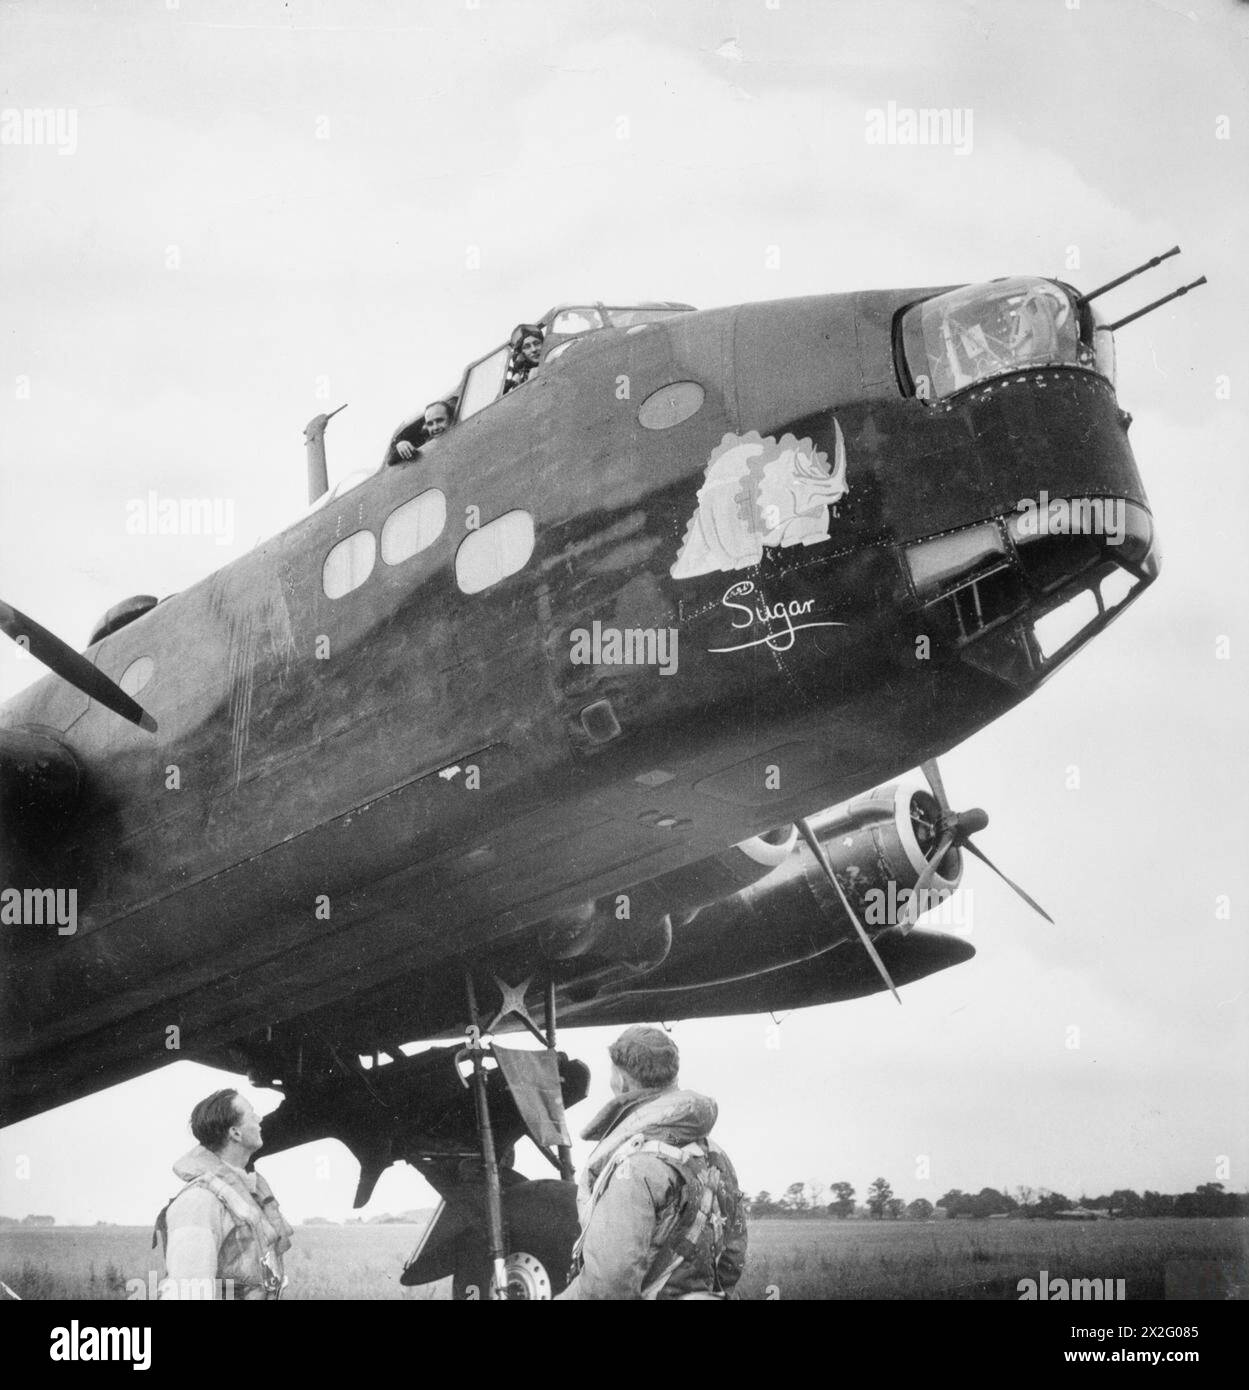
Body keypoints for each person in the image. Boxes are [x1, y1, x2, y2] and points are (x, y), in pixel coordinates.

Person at [555, 1025, 747, 1300]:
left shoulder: (633, 1168)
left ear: (621, 1081)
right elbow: (732, 1256)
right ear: (672, 1077)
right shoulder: (715, 1156)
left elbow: (608, 1287)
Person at [153, 1088, 293, 1300]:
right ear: (235, 1132)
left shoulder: (248, 1193)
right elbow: (188, 1293)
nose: (259, 1119)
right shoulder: (198, 1202)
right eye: (251, 1113)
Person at [386, 398, 455, 465]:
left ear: (451, 419)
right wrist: (400, 445)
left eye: (440, 420)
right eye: (430, 424)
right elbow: (390, 461)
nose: (435, 427)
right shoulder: (427, 443)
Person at [503, 323, 544, 394]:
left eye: (537, 343)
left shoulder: (557, 361)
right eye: (527, 347)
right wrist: (511, 382)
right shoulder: (518, 378)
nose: (534, 349)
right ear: (521, 353)